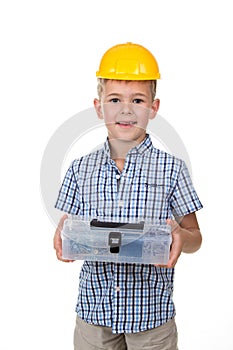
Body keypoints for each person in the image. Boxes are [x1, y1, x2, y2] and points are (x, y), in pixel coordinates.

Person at [53, 42, 203, 350]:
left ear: (154, 107)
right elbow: (67, 231)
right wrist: (63, 239)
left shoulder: (172, 170)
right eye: (114, 99)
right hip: (94, 316)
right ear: (98, 107)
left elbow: (196, 237)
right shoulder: (80, 169)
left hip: (151, 320)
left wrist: (181, 238)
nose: (126, 109)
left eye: (137, 100)